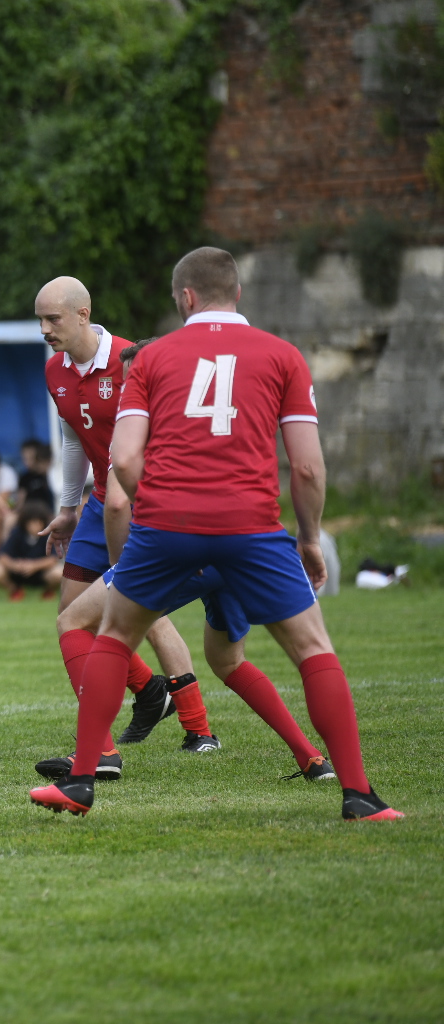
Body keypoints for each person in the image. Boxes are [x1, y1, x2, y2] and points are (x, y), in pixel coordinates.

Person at [31, 247, 403, 821]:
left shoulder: (149, 358)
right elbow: (306, 467)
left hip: (168, 527)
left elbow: (124, 461)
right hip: (251, 529)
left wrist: (149, 513)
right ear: (238, 294)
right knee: (308, 649)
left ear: (184, 298)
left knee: (103, 634)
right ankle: (358, 794)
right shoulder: (282, 355)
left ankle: (83, 782)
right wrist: (308, 538)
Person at [32, 277, 217, 775]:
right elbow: (74, 437)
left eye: (53, 319)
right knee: (74, 613)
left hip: (143, 500)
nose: (45, 330)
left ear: (83, 314)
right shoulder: (55, 371)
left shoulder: (132, 361)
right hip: (99, 502)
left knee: (139, 606)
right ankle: (149, 691)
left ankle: (198, 728)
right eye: (40, 321)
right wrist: (68, 509)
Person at [37, 562, 335, 783]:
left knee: (74, 621)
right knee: (228, 660)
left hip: (186, 540)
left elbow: (119, 497)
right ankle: (312, 757)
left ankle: (102, 751)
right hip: (243, 548)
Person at [0, 503, 63, 600]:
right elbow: (2, 555)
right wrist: (14, 565)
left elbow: (53, 559)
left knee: (59, 572)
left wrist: (34, 566)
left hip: (41, 573)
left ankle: (48, 591)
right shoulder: (17, 533)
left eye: (38, 522)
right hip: (17, 572)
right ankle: (14, 590)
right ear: (25, 522)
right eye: (32, 522)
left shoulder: (49, 535)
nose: (35, 526)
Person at [15, 439, 55, 513]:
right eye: (24, 459)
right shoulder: (25, 478)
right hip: (30, 512)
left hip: (48, 511)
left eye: (30, 458)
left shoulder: (50, 475)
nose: (27, 463)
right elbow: (20, 501)